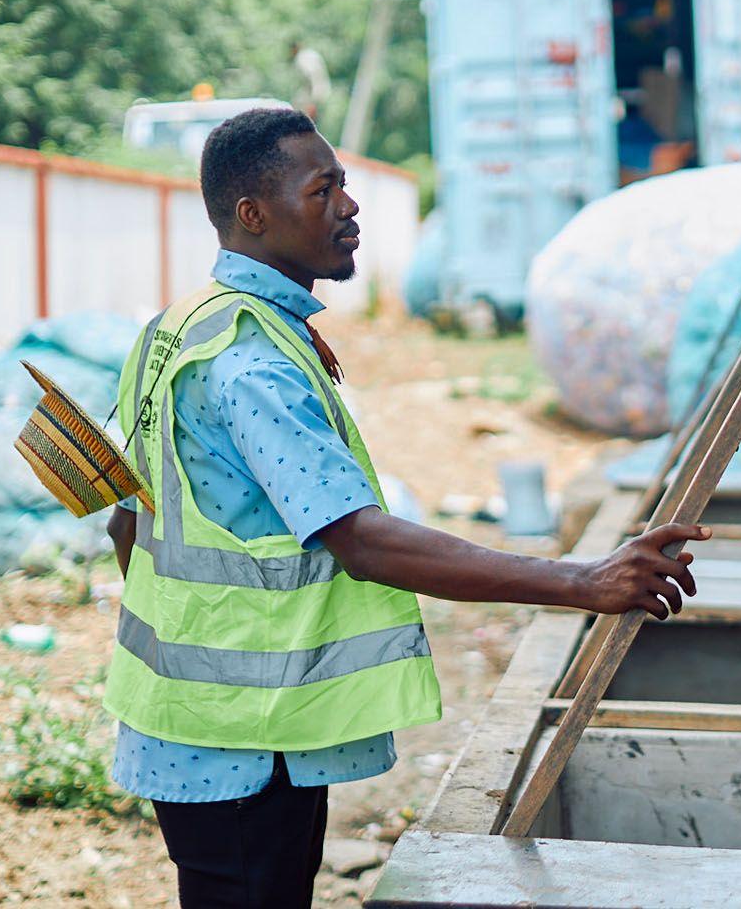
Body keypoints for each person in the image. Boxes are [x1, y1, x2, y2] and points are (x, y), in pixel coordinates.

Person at [104, 107, 704, 908]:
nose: (350, 208)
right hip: (244, 740)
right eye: (323, 191)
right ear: (253, 215)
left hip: (193, 721)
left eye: (344, 186)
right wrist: (583, 582)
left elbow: (126, 521)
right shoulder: (252, 361)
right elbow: (360, 541)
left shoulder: (177, 330)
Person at [289, 40, 330, 121]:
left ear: (294, 49)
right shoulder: (311, 53)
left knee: (297, 106)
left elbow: (311, 75)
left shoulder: (301, 57)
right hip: (322, 89)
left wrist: (312, 98)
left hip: (313, 90)